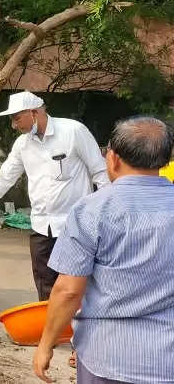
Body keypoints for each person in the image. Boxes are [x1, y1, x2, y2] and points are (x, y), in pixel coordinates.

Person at [32, 117, 174, 384]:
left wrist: (46, 345)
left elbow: (68, 290)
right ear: (165, 161)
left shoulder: (92, 210)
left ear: (113, 158)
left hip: (108, 357)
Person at [0, 91, 109, 301]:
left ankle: (79, 331)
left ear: (35, 112)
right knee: (45, 283)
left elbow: (100, 172)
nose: (14, 125)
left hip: (76, 224)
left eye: (16, 118)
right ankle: (50, 329)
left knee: (75, 285)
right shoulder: (23, 144)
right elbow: (5, 176)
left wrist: (106, 212)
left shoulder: (73, 131)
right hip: (42, 225)